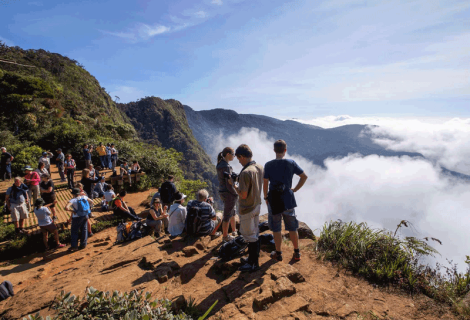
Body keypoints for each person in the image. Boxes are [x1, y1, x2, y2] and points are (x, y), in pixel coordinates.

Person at [264, 140, 308, 262]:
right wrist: (294, 189)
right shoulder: (291, 163)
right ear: (285, 150)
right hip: (288, 198)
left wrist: (265, 197)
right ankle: (297, 252)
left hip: (273, 198)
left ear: (274, 150)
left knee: (276, 227)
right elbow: (304, 176)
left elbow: (265, 182)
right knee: (292, 227)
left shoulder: (268, 165)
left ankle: (278, 253)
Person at [229, 144, 264, 272]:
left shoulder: (245, 172)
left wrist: (233, 184)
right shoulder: (259, 167)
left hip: (247, 208)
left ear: (242, 157)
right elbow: (253, 183)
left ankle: (253, 263)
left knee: (250, 236)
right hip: (257, 205)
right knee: (255, 233)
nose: (238, 161)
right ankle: (251, 259)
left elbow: (243, 194)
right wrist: (239, 178)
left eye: (239, 158)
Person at [216, 147, 238, 242]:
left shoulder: (220, 164)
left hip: (222, 191)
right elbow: (229, 183)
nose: (234, 156)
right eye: (233, 154)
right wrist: (236, 193)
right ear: (228, 154)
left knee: (231, 211)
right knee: (227, 214)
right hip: (228, 192)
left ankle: (234, 231)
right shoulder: (226, 166)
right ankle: (225, 236)